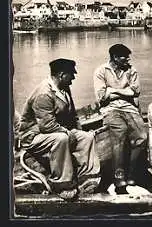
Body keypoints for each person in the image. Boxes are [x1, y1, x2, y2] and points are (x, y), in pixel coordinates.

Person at [17, 58, 101, 200]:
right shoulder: (44, 93)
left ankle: (86, 177)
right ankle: (62, 183)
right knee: (61, 138)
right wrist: (68, 133)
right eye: (71, 74)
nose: (73, 77)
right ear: (62, 75)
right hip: (33, 136)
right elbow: (47, 126)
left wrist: (78, 131)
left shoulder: (64, 89)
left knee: (87, 137)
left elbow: (73, 116)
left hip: (56, 129)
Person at [93, 44, 148, 194]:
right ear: (115, 57)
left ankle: (131, 174)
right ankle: (119, 177)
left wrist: (113, 90)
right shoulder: (101, 71)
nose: (128, 59)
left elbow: (135, 92)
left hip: (129, 108)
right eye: (124, 56)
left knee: (142, 137)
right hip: (110, 109)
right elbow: (101, 97)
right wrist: (124, 92)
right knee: (120, 135)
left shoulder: (131, 70)